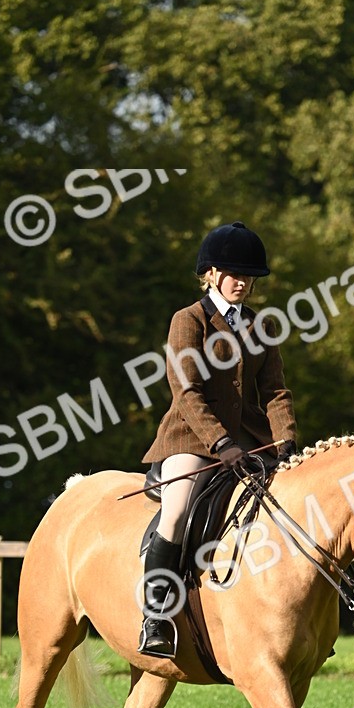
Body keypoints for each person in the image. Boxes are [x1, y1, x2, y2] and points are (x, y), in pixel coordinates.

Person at [137, 221, 298, 659]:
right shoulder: (188, 321)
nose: (242, 282)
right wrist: (221, 444)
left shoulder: (262, 325)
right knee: (177, 510)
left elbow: (276, 392)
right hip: (190, 441)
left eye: (249, 276)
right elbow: (186, 392)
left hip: (251, 443)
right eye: (232, 273)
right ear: (210, 273)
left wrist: (285, 442)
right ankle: (156, 615)